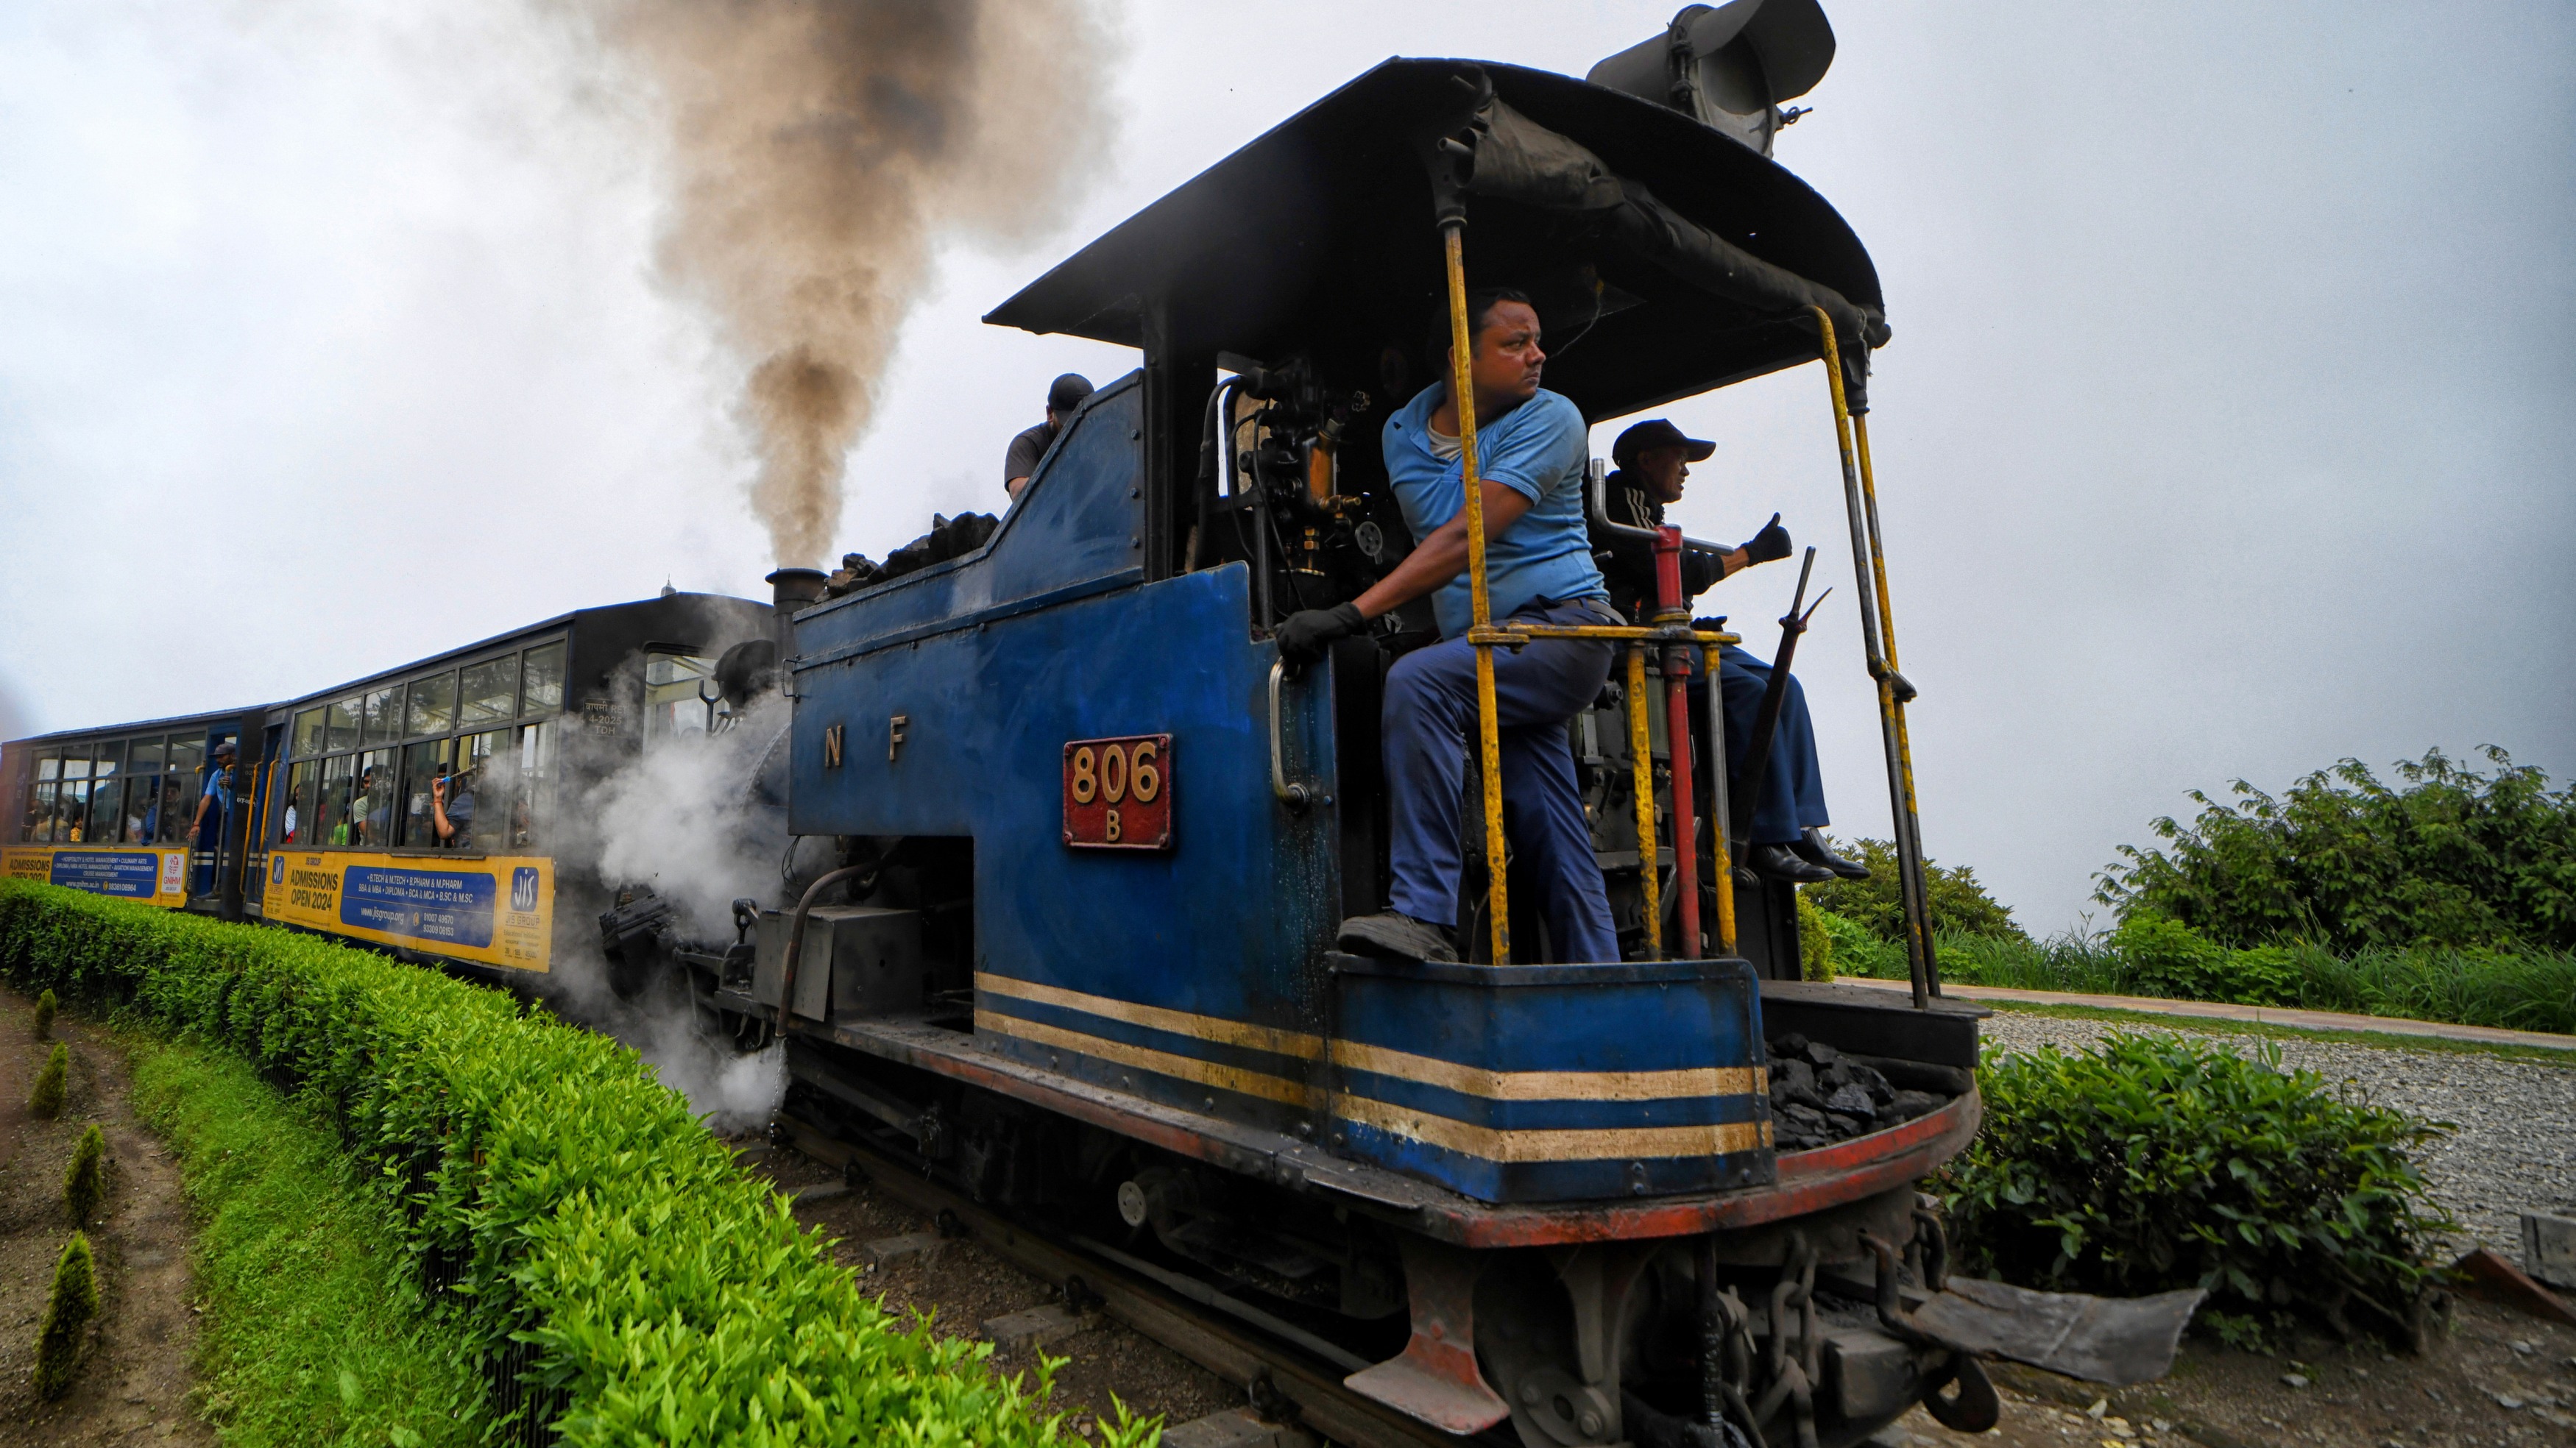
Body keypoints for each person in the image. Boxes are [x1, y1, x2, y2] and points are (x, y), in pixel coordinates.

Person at [1275, 289, 1622, 965]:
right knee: (1551, 824)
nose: (1538, 355)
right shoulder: (1401, 432)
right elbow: (1437, 531)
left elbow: (1464, 535)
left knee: (1420, 683)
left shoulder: (1553, 418)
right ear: (1460, 357)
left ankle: (1423, 914)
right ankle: (1600, 975)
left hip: (1563, 629)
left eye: (1537, 340)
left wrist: (1349, 614)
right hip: (1491, 646)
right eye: (1516, 342)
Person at [1590, 419, 1867, 885]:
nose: (1686, 470)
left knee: (1785, 686)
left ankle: (1804, 829)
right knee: (1746, 691)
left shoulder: (1649, 512)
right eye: (1680, 458)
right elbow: (1673, 572)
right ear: (1646, 460)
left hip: (1676, 632)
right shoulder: (1620, 500)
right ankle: (1764, 838)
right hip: (1638, 639)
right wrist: (1749, 554)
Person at [1003, 373, 1096, 498]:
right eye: (1068, 423)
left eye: (1082, 422)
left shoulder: (1100, 439)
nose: (1076, 429)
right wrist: (1066, 476)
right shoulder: (1028, 443)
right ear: (1050, 413)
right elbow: (1018, 491)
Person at [191, 740, 236, 894]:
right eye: (217, 757)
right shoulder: (216, 775)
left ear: (232, 755)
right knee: (220, 849)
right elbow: (207, 798)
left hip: (242, 815)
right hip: (226, 815)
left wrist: (233, 785)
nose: (218, 760)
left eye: (222, 756)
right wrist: (196, 823)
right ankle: (219, 887)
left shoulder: (242, 772)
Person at [431, 764, 475, 849]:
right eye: (440, 778)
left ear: (459, 782)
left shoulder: (465, 801)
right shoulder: (464, 801)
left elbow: (444, 831)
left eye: (445, 778)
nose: (443, 783)